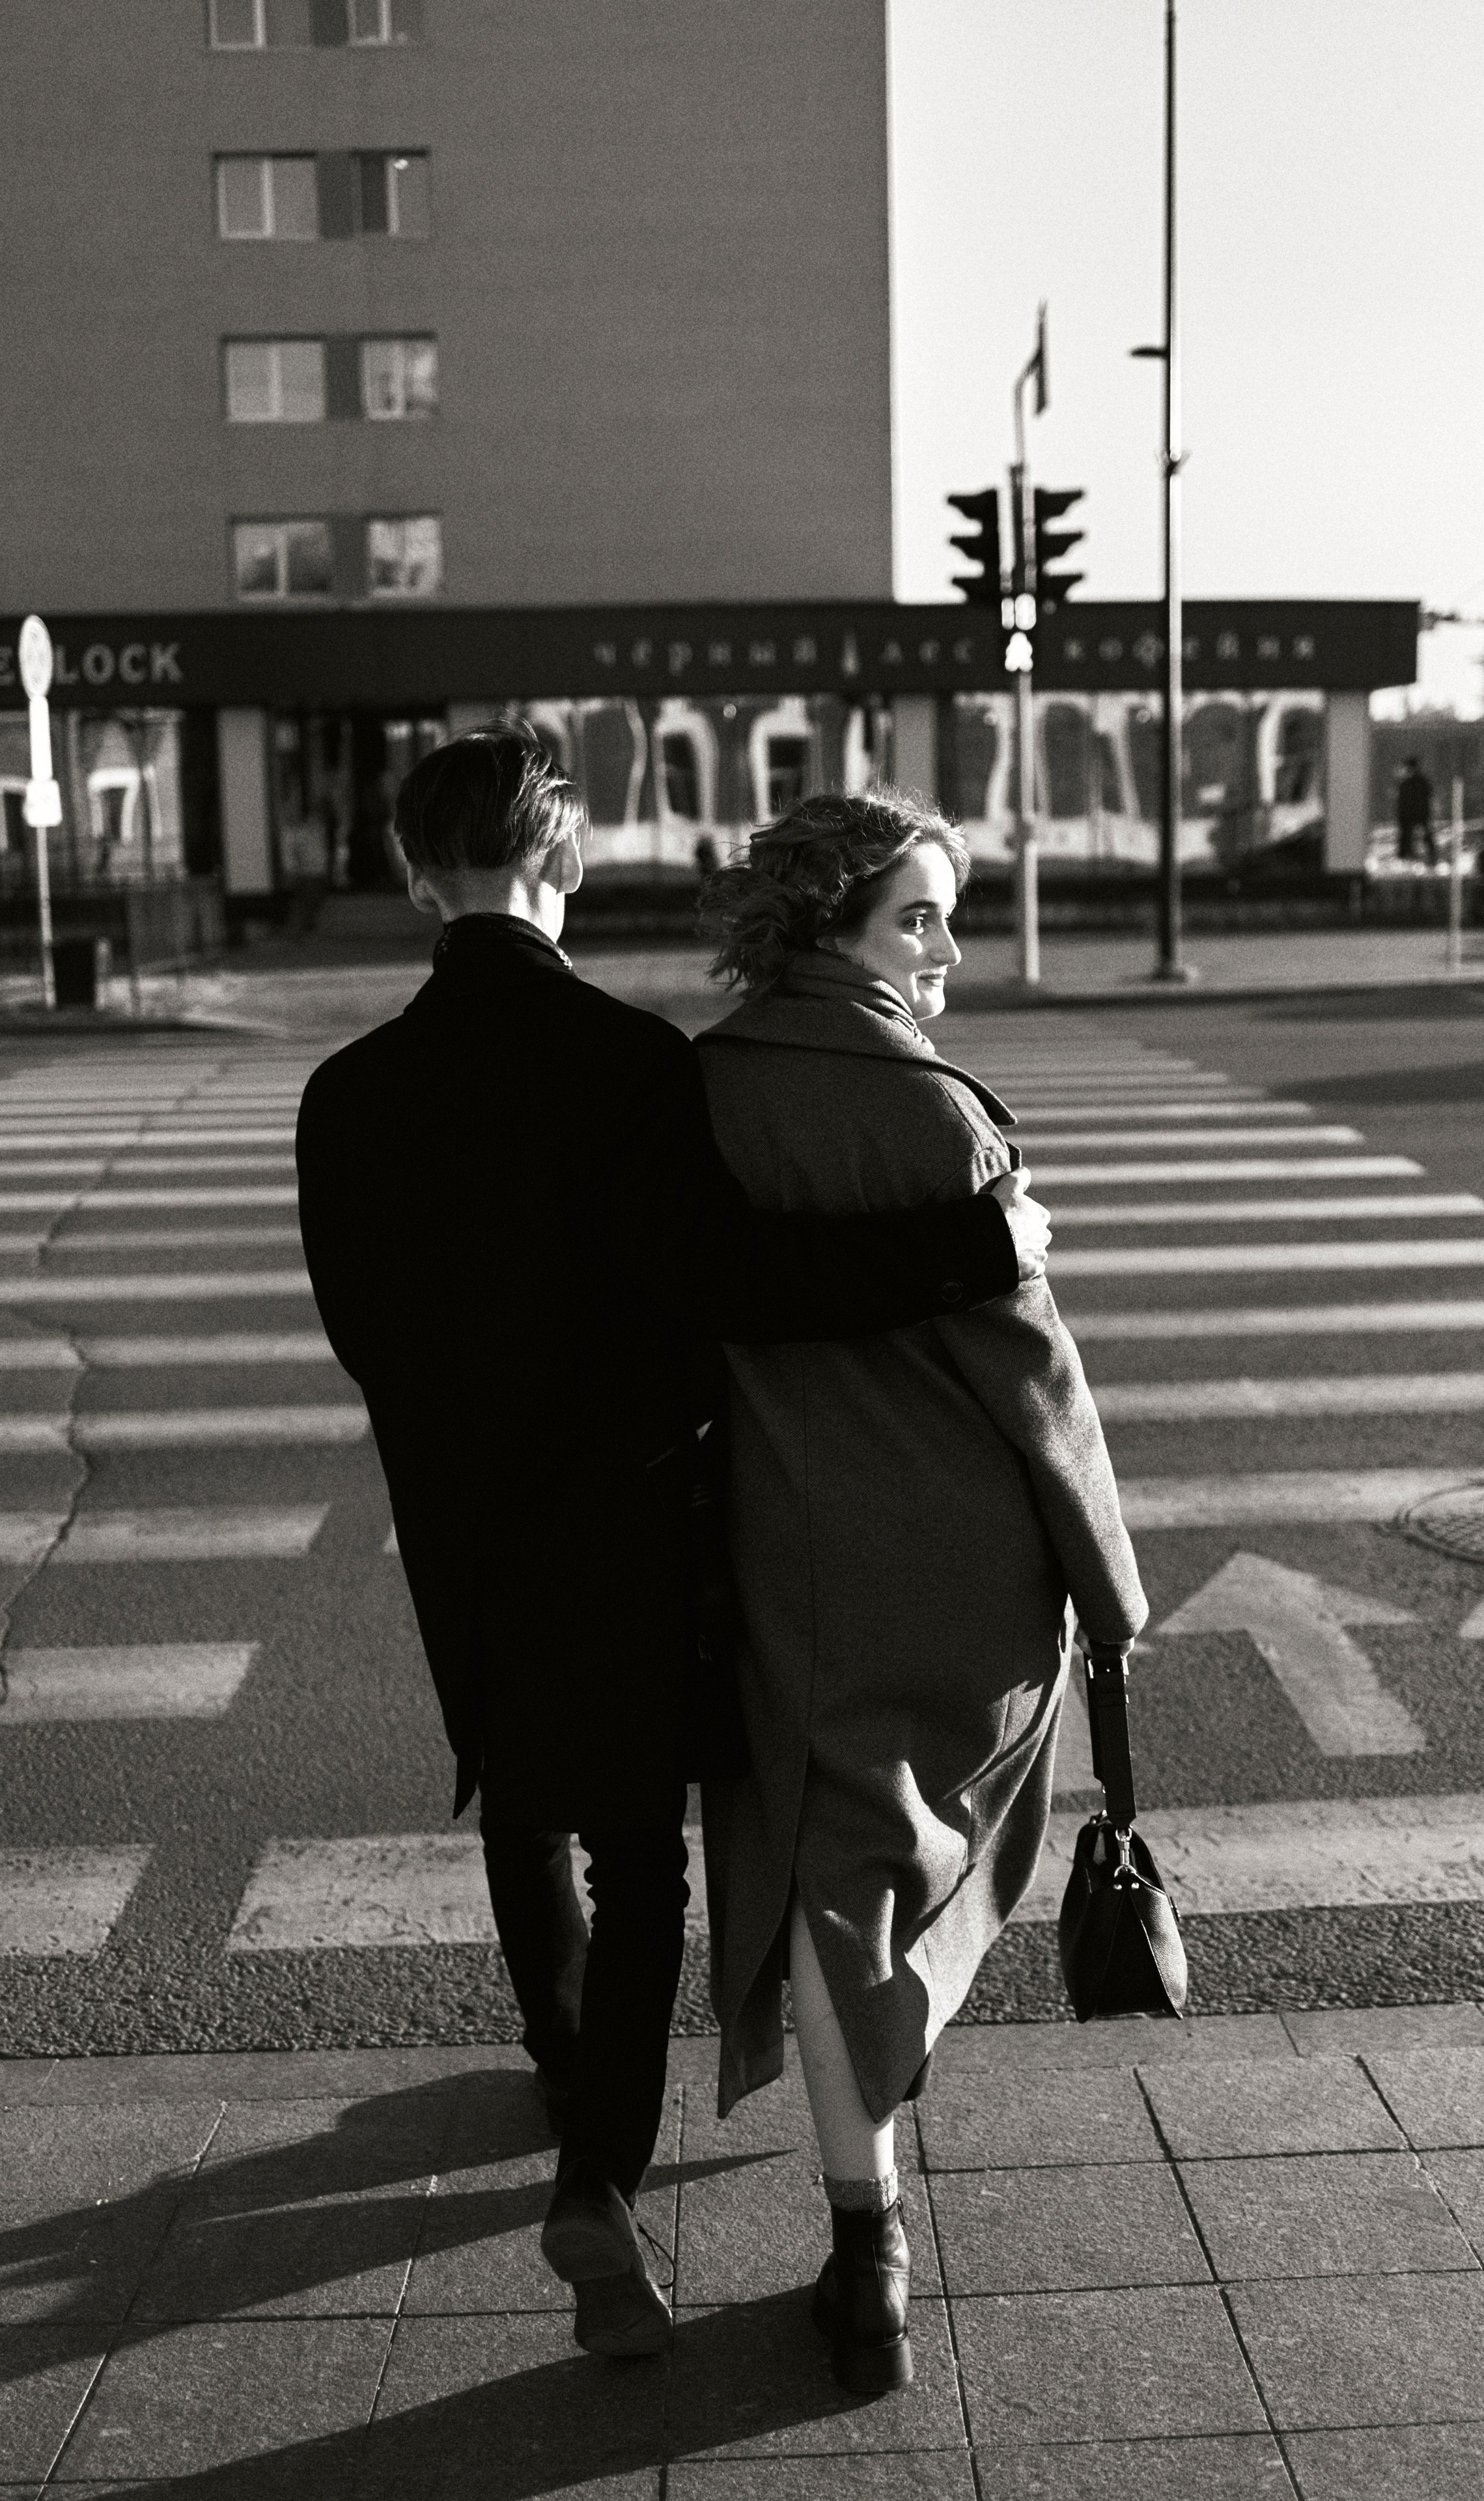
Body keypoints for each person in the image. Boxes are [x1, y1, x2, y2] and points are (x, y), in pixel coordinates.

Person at [294, 726, 1050, 2364]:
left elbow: (368, 1333)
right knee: (642, 1847)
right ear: (563, 862)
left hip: (464, 1519)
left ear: (420, 877)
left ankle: (564, 2070)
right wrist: (978, 1239)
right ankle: (597, 2169)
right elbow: (738, 1293)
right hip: (635, 1514)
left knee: (521, 1795)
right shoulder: (634, 1065)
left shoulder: (344, 1094)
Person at [695, 789, 1149, 2395]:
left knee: (826, 1864)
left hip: (781, 1552)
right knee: (919, 1853)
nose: (945, 947)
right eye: (916, 917)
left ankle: (859, 2223)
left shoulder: (702, 1086)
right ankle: (875, 2151)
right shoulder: (933, 1109)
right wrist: (1108, 1580)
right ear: (833, 922)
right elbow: (1035, 1380)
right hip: (953, 1554)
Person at [279, 802, 331, 932]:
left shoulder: (311, 830)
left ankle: (304, 925)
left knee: (310, 899)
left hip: (312, 870)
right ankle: (302, 926)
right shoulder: (297, 832)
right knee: (307, 899)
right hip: (308, 871)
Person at [1395, 755, 1435, 866]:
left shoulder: (1405, 784)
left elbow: (1402, 801)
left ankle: (1404, 856)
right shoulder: (1423, 782)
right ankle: (1431, 854)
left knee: (1406, 836)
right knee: (1426, 834)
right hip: (1421, 813)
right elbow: (1429, 795)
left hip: (1409, 814)